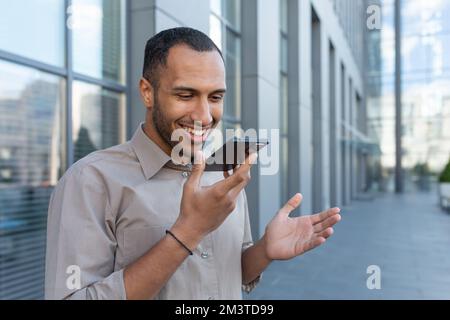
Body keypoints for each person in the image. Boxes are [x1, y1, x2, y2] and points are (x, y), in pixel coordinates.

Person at [45, 27, 341, 300]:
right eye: (186, 95)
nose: (204, 116)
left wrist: (264, 251)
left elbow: (228, 272)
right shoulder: (91, 181)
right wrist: (188, 232)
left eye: (215, 97)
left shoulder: (226, 172)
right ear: (147, 92)